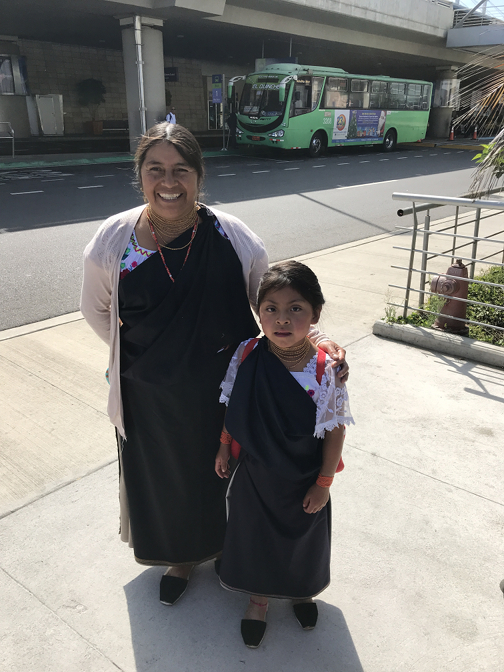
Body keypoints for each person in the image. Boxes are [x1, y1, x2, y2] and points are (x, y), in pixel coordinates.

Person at [80, 122, 348, 608]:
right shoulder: (113, 239)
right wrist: (144, 358)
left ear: (199, 176)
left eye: (181, 170)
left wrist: (321, 341)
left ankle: (235, 551)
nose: (168, 181)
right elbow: (97, 310)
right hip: (151, 396)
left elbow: (269, 303)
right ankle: (180, 556)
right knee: (167, 479)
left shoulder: (232, 234)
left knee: (229, 474)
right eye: (155, 169)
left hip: (227, 394)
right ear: (139, 175)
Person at [215, 260, 354, 648]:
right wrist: (225, 444)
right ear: (258, 313)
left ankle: (301, 590)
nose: (282, 319)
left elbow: (335, 428)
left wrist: (323, 483)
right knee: (254, 535)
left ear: (315, 314)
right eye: (270, 308)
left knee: (303, 535)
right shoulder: (248, 353)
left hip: (304, 473)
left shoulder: (327, 369)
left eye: (296, 308)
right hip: (256, 473)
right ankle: (258, 599)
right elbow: (234, 404)